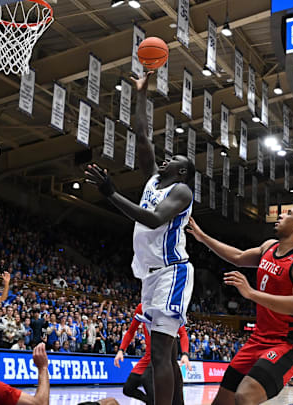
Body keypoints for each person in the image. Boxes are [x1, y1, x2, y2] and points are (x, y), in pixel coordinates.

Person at [85, 70, 196, 405]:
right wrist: (141, 94)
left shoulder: (182, 191)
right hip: (149, 276)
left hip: (171, 272)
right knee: (166, 352)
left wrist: (111, 194)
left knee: (161, 353)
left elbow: (152, 218)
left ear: (182, 171)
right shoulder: (153, 181)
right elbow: (142, 133)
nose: (164, 159)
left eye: (172, 159)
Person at [186, 197, 293, 405]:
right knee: (222, 402)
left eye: (289, 213)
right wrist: (202, 237)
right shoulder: (269, 247)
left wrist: (251, 293)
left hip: (287, 343)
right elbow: (238, 256)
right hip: (258, 339)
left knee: (245, 395)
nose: (281, 215)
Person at [114, 303, 191, 405]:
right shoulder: (142, 307)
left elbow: (183, 334)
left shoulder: (169, 308)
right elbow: (130, 331)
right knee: (128, 388)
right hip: (148, 357)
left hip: (162, 356)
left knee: (149, 380)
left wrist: (185, 354)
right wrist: (121, 350)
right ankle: (150, 402)